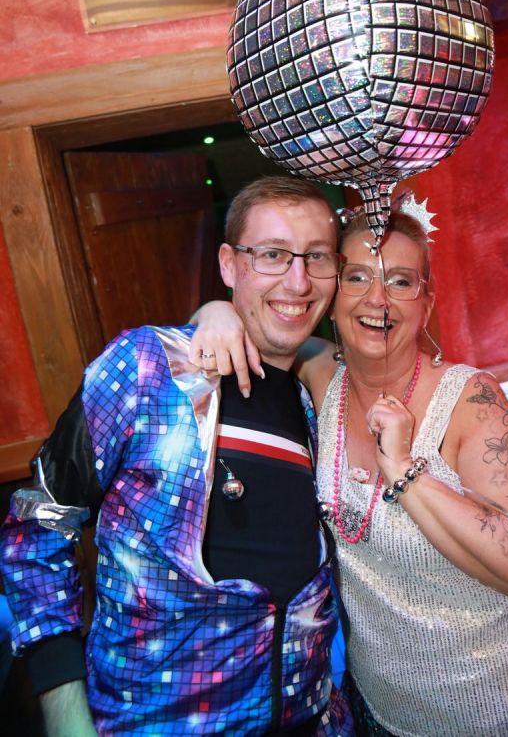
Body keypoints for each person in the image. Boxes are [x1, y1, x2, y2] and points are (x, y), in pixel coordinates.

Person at [190, 194, 508, 737]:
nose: (377, 299)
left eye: (401, 281)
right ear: (331, 294)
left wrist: (405, 470)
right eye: (357, 277)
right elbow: (260, 327)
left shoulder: (471, 399)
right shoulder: (320, 377)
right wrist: (213, 313)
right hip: (383, 715)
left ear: (426, 301)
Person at [0, 176, 354, 737]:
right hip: (154, 723)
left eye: (317, 257)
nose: (298, 280)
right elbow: (37, 527)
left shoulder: (320, 398)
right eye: (272, 254)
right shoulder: (147, 369)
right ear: (229, 264)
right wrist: (65, 712)